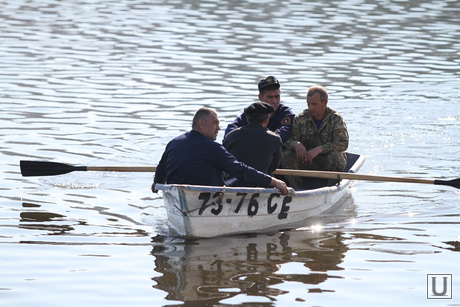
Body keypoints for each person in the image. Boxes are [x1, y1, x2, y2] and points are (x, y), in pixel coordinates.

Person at [152, 107, 289, 195]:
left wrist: (156, 184)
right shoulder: (212, 147)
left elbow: (161, 170)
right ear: (201, 123)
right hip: (207, 195)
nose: (218, 128)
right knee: (241, 178)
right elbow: (240, 170)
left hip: (180, 194)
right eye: (215, 123)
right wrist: (272, 181)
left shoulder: (173, 143)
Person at [282, 85, 349, 189]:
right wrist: (296, 144)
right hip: (306, 160)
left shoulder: (336, 119)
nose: (310, 107)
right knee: (287, 155)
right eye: (308, 104)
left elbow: (343, 143)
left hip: (327, 160)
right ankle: (296, 189)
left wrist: (320, 149)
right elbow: (288, 139)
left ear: (324, 102)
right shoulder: (301, 119)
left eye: (314, 104)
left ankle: (331, 189)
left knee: (336, 157)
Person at [223, 102, 283, 186]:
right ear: (267, 119)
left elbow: (224, 162)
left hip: (232, 185)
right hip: (261, 185)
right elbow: (273, 166)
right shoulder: (275, 138)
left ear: (247, 119)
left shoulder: (231, 135)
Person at [224, 76, 295, 143]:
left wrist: (259, 139)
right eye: (270, 97)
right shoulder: (254, 111)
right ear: (260, 97)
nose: (274, 101)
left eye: (277, 96)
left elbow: (284, 132)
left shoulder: (285, 112)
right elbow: (231, 128)